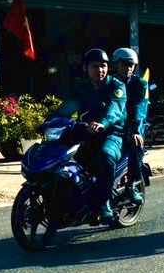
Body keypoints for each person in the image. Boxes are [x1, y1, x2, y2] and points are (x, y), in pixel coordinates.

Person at [53, 49, 127, 223]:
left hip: (112, 133)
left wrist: (103, 123)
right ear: (86, 68)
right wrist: (48, 122)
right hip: (86, 131)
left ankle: (104, 204)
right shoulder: (82, 87)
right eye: (95, 66)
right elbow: (68, 107)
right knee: (62, 157)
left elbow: (115, 109)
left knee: (106, 157)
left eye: (103, 66)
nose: (100, 70)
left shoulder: (116, 86)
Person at [110, 48, 149, 206]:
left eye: (131, 65)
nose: (128, 68)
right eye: (124, 64)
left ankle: (131, 185)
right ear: (116, 64)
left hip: (132, 126)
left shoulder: (139, 84)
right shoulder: (109, 82)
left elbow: (140, 109)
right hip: (111, 124)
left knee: (136, 143)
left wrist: (135, 131)